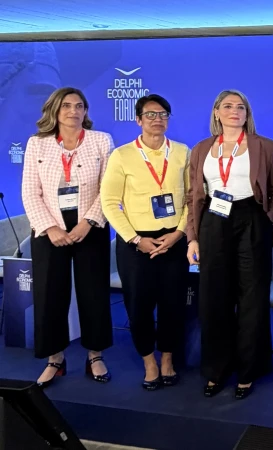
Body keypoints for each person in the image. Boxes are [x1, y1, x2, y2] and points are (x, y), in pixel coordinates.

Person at [185, 90, 273, 400]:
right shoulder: (201, 149)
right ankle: (217, 370)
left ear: (247, 114)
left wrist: (268, 221)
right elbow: (193, 196)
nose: (234, 111)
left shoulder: (265, 146)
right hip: (213, 221)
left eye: (241, 107)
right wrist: (192, 237)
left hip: (251, 218)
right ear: (216, 112)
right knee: (214, 297)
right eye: (227, 106)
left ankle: (248, 370)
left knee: (252, 297)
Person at [21, 87, 113, 387]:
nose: (73, 111)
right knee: (49, 294)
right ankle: (55, 358)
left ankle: (95, 355)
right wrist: (50, 228)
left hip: (90, 226)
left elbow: (108, 189)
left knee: (94, 293)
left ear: (86, 111)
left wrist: (88, 222)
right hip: (49, 228)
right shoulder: (37, 143)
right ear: (55, 111)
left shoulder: (101, 140)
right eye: (67, 106)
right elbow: (30, 192)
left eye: (79, 106)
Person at [100, 94, 190, 391]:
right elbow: (109, 202)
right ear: (138, 120)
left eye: (163, 114)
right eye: (150, 114)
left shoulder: (182, 152)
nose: (157, 119)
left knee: (173, 305)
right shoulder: (122, 155)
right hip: (135, 244)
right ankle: (149, 362)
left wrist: (179, 233)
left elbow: (192, 199)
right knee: (138, 306)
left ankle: (167, 359)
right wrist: (135, 239)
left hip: (173, 240)